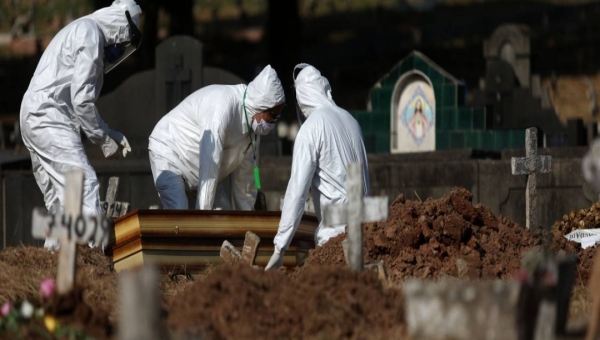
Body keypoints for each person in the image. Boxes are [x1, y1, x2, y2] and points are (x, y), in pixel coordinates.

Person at [20, 0, 142, 250]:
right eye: (122, 45)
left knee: (58, 202)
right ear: (121, 27)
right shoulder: (91, 34)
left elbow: (74, 101)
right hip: (48, 116)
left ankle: (52, 264)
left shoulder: (82, 28)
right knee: (83, 183)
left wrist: (110, 133)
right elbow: (82, 101)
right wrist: (105, 140)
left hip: (34, 114)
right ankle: (93, 258)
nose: (118, 52)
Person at [265, 64, 369, 271]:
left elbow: (297, 192)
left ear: (301, 97)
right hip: (366, 234)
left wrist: (279, 248)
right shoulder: (352, 121)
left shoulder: (312, 128)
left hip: (335, 241)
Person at [148, 65, 285, 210]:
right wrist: (204, 216)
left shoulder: (253, 131)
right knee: (180, 216)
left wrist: (249, 220)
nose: (274, 121)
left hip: (200, 176)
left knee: (225, 221)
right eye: (273, 114)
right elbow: (210, 164)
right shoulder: (223, 107)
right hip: (170, 154)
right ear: (260, 104)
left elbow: (246, 178)